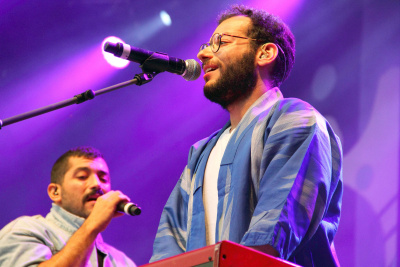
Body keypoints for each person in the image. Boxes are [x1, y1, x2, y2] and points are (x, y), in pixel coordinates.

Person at [150, 5, 343, 267]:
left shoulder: (295, 119)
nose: (203, 53)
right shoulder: (202, 152)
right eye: (207, 44)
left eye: (221, 42)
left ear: (265, 52)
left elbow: (271, 234)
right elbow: (169, 244)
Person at [0, 146, 136, 267]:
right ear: (55, 192)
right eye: (82, 177)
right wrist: (92, 225)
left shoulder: (122, 261)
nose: (97, 184)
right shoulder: (25, 230)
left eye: (103, 179)